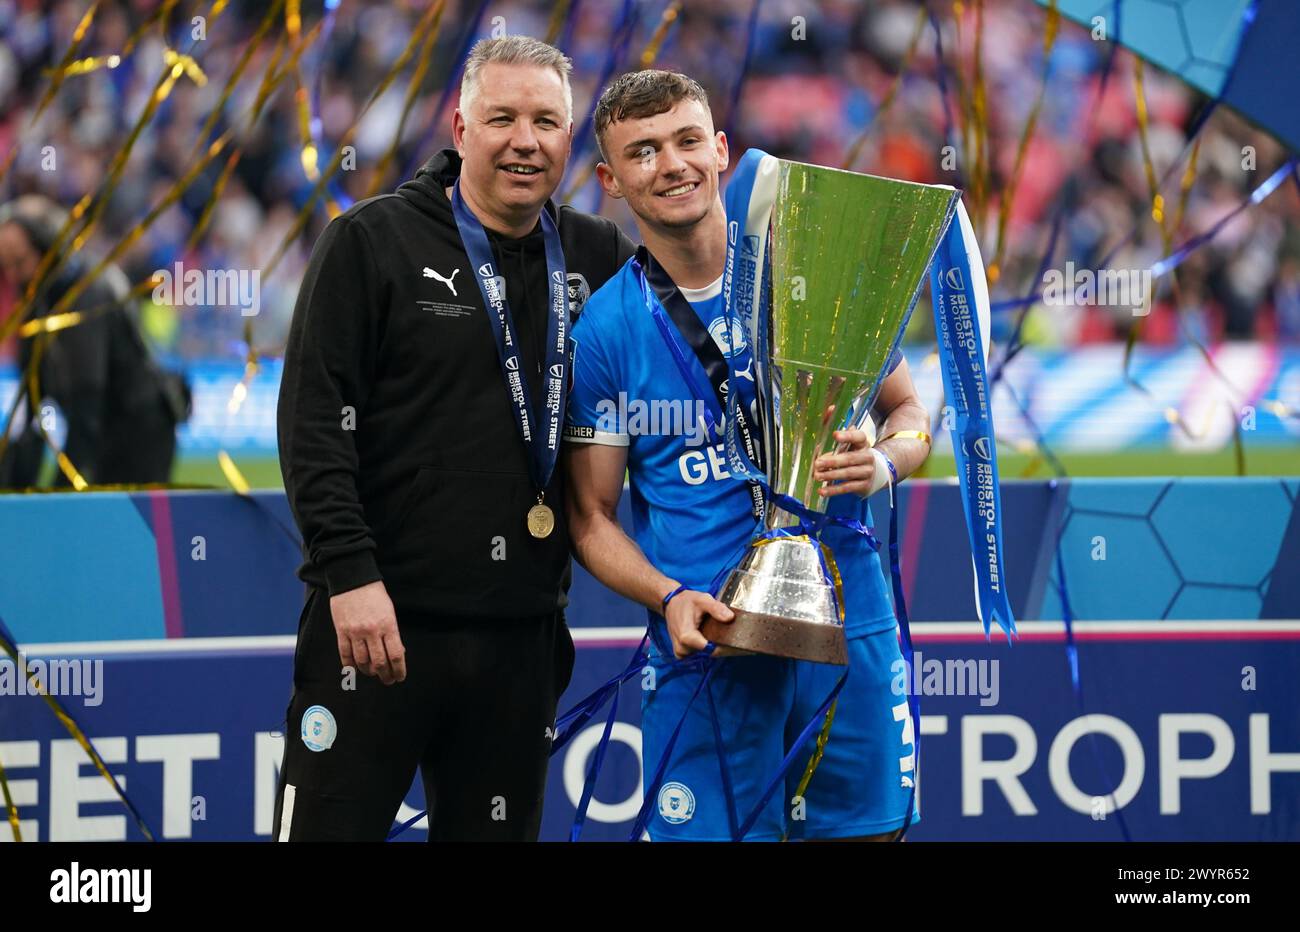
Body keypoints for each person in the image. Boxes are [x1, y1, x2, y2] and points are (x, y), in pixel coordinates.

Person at [273, 36, 635, 842]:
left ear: (568, 139)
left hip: (520, 642)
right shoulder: (370, 243)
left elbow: (671, 378)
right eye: (501, 117)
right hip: (375, 628)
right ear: (460, 127)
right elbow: (311, 428)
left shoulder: (596, 255)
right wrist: (349, 576)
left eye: (546, 121)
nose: (524, 139)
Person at [564, 70, 933, 841]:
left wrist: (887, 462)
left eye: (688, 140)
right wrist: (667, 596)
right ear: (610, 180)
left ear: (721, 150)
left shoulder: (814, 278)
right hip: (708, 649)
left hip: (847, 631)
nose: (672, 165)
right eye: (643, 152)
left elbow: (908, 413)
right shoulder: (604, 329)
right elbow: (590, 517)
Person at [0, 195, 187, 488]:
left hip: (140, 429)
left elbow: (88, 403)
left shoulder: (88, 290)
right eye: (5, 266)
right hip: (104, 426)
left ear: (47, 247)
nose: (13, 275)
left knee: (136, 527)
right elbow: (33, 400)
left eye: (20, 262)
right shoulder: (40, 298)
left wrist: (61, 490)